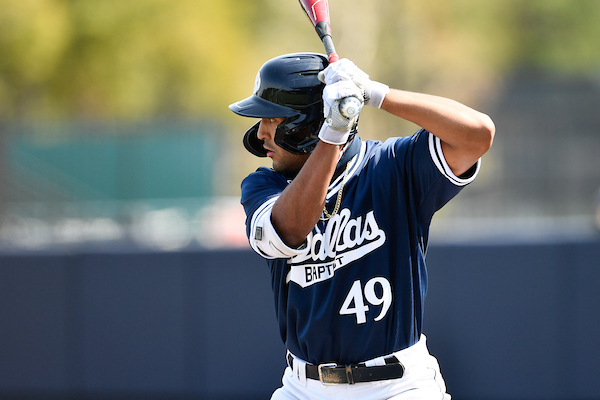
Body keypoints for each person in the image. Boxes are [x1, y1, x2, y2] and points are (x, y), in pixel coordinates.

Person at [230, 52, 495, 400]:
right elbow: (290, 228)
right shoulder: (266, 186)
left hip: (399, 385)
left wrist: (374, 93)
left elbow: (477, 135)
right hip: (305, 388)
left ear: (306, 126)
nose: (261, 132)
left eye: (273, 119)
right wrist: (334, 133)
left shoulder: (393, 165)